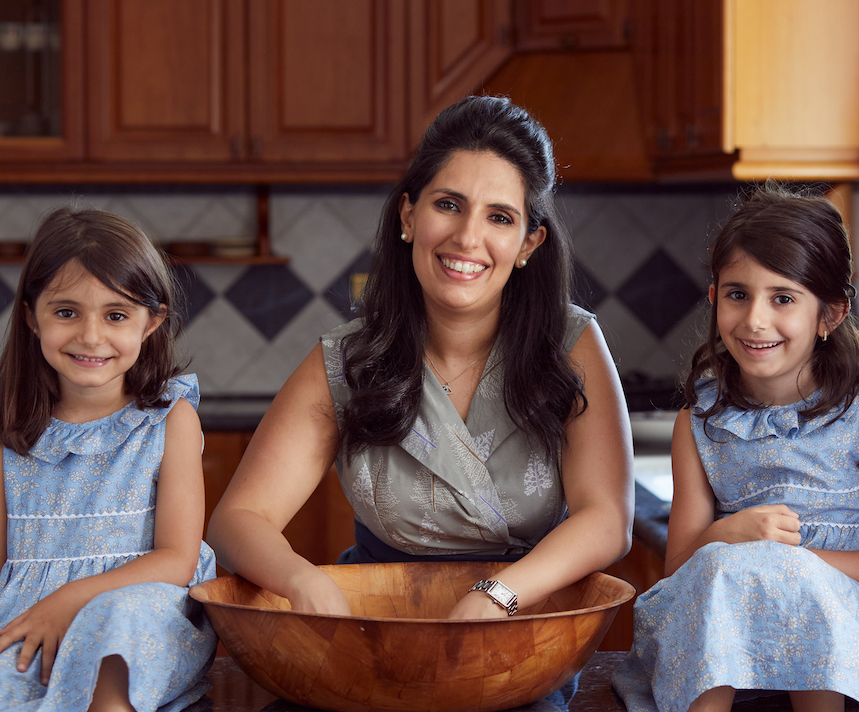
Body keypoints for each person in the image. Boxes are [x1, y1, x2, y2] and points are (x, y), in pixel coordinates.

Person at [208, 96, 635, 622]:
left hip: (523, 631)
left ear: (529, 243)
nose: (467, 237)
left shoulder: (571, 341)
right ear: (410, 215)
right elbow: (237, 518)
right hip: (381, 623)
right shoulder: (347, 361)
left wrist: (495, 597)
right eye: (448, 205)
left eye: (499, 217)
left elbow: (608, 519)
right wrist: (302, 579)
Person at [612, 185, 859, 712]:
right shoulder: (697, 423)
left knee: (788, 579)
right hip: (730, 631)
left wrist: (794, 568)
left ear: (829, 315)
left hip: (856, 629)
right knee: (721, 571)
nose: (754, 320)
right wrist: (728, 535)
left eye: (783, 298)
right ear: (713, 296)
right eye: (738, 293)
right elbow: (679, 569)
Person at [0, 208, 218, 712]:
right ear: (32, 316)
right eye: (66, 311)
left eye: (116, 315)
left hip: (140, 608)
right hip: (30, 615)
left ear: (152, 322)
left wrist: (68, 601)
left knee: (117, 623)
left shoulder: (170, 420)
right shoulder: (6, 429)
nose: (91, 336)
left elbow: (176, 559)